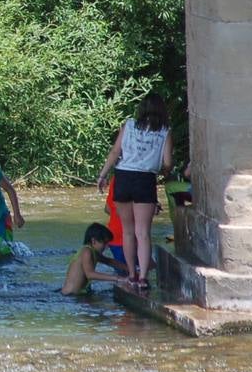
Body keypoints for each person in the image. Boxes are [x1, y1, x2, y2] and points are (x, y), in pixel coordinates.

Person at [97, 93, 173, 291]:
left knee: (128, 231)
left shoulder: (129, 125)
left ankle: (131, 275)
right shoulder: (164, 131)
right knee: (143, 233)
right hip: (145, 179)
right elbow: (168, 163)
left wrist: (103, 175)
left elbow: (115, 152)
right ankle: (143, 277)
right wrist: (163, 172)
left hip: (123, 177)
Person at [61, 224, 129, 295]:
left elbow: (110, 261)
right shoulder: (87, 252)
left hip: (79, 294)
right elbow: (90, 274)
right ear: (93, 241)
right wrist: (118, 278)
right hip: (71, 296)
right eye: (104, 243)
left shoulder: (93, 252)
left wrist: (130, 269)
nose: (107, 247)